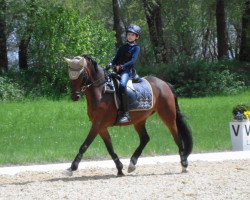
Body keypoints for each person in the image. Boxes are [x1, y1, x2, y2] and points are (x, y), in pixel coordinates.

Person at [110, 24, 141, 124]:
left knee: (122, 85)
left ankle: (125, 113)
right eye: (128, 34)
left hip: (127, 72)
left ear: (136, 37)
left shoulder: (136, 48)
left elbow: (132, 61)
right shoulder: (122, 47)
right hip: (117, 70)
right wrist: (110, 64)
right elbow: (115, 59)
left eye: (132, 35)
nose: (130, 36)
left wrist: (121, 66)